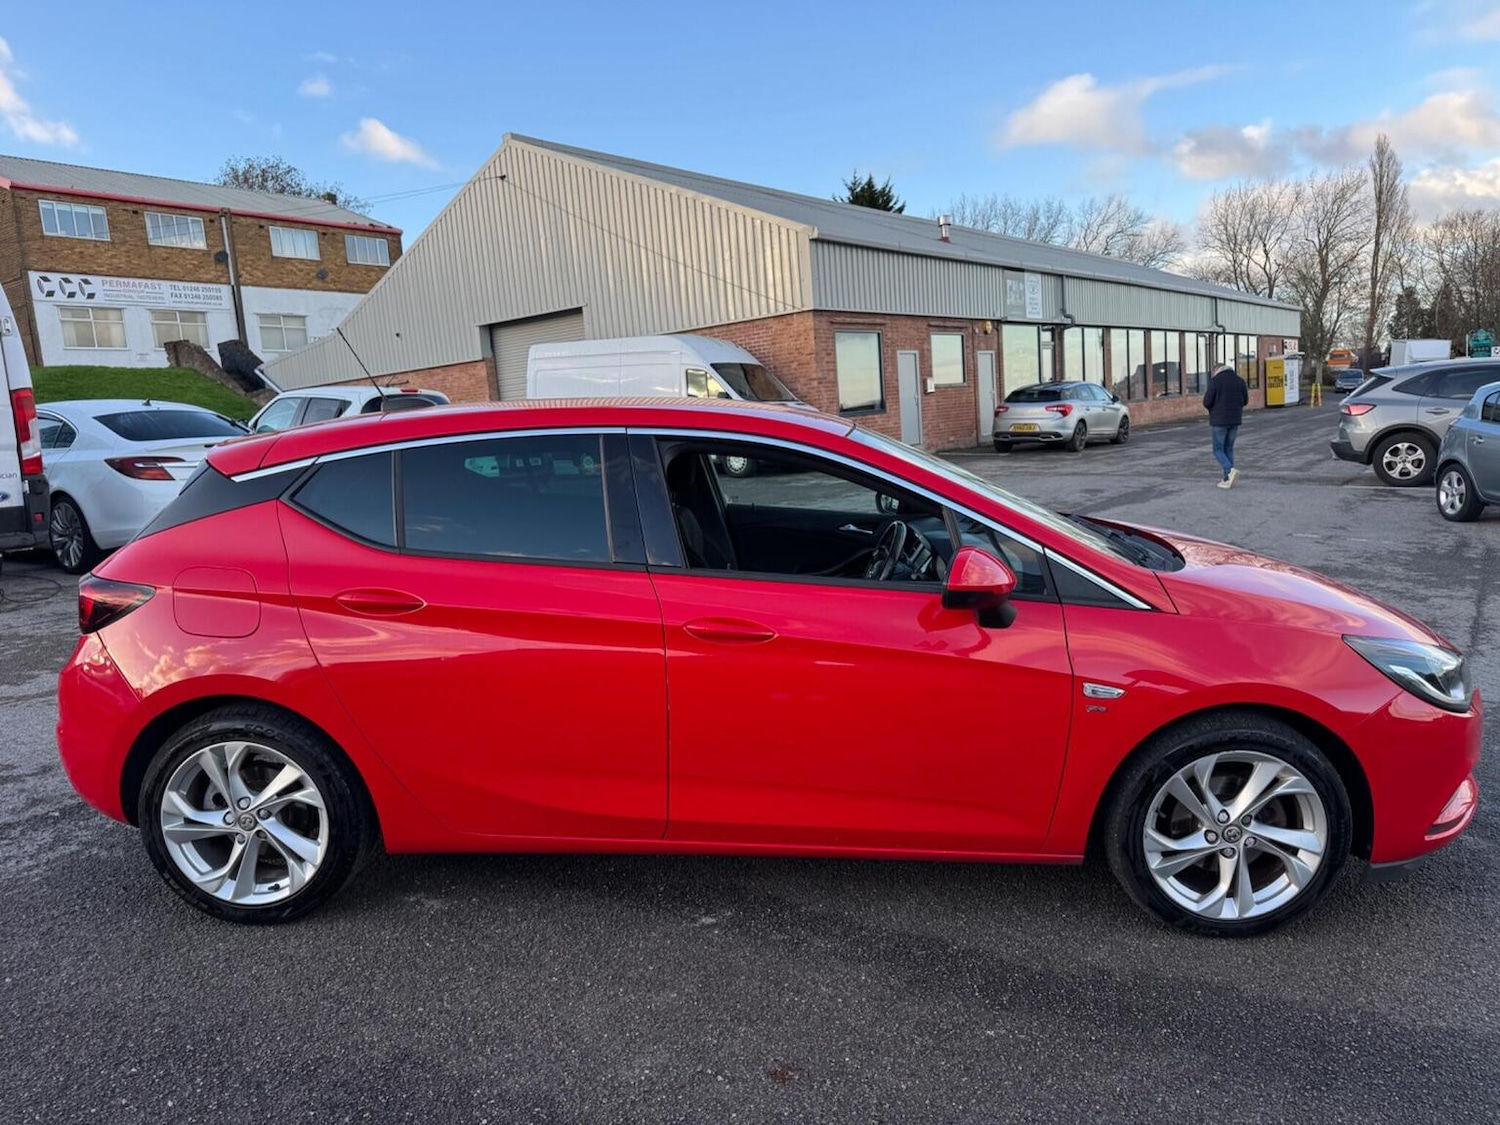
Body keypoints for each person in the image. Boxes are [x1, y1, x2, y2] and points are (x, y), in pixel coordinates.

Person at [1203, 362, 1250, 488]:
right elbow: (1245, 400)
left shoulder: (1215, 381)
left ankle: (1229, 470)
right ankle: (1227, 479)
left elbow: (1207, 401)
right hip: (1235, 419)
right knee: (1228, 448)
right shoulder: (1240, 381)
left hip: (1219, 421)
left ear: (1216, 370)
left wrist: (1213, 409)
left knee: (1218, 449)